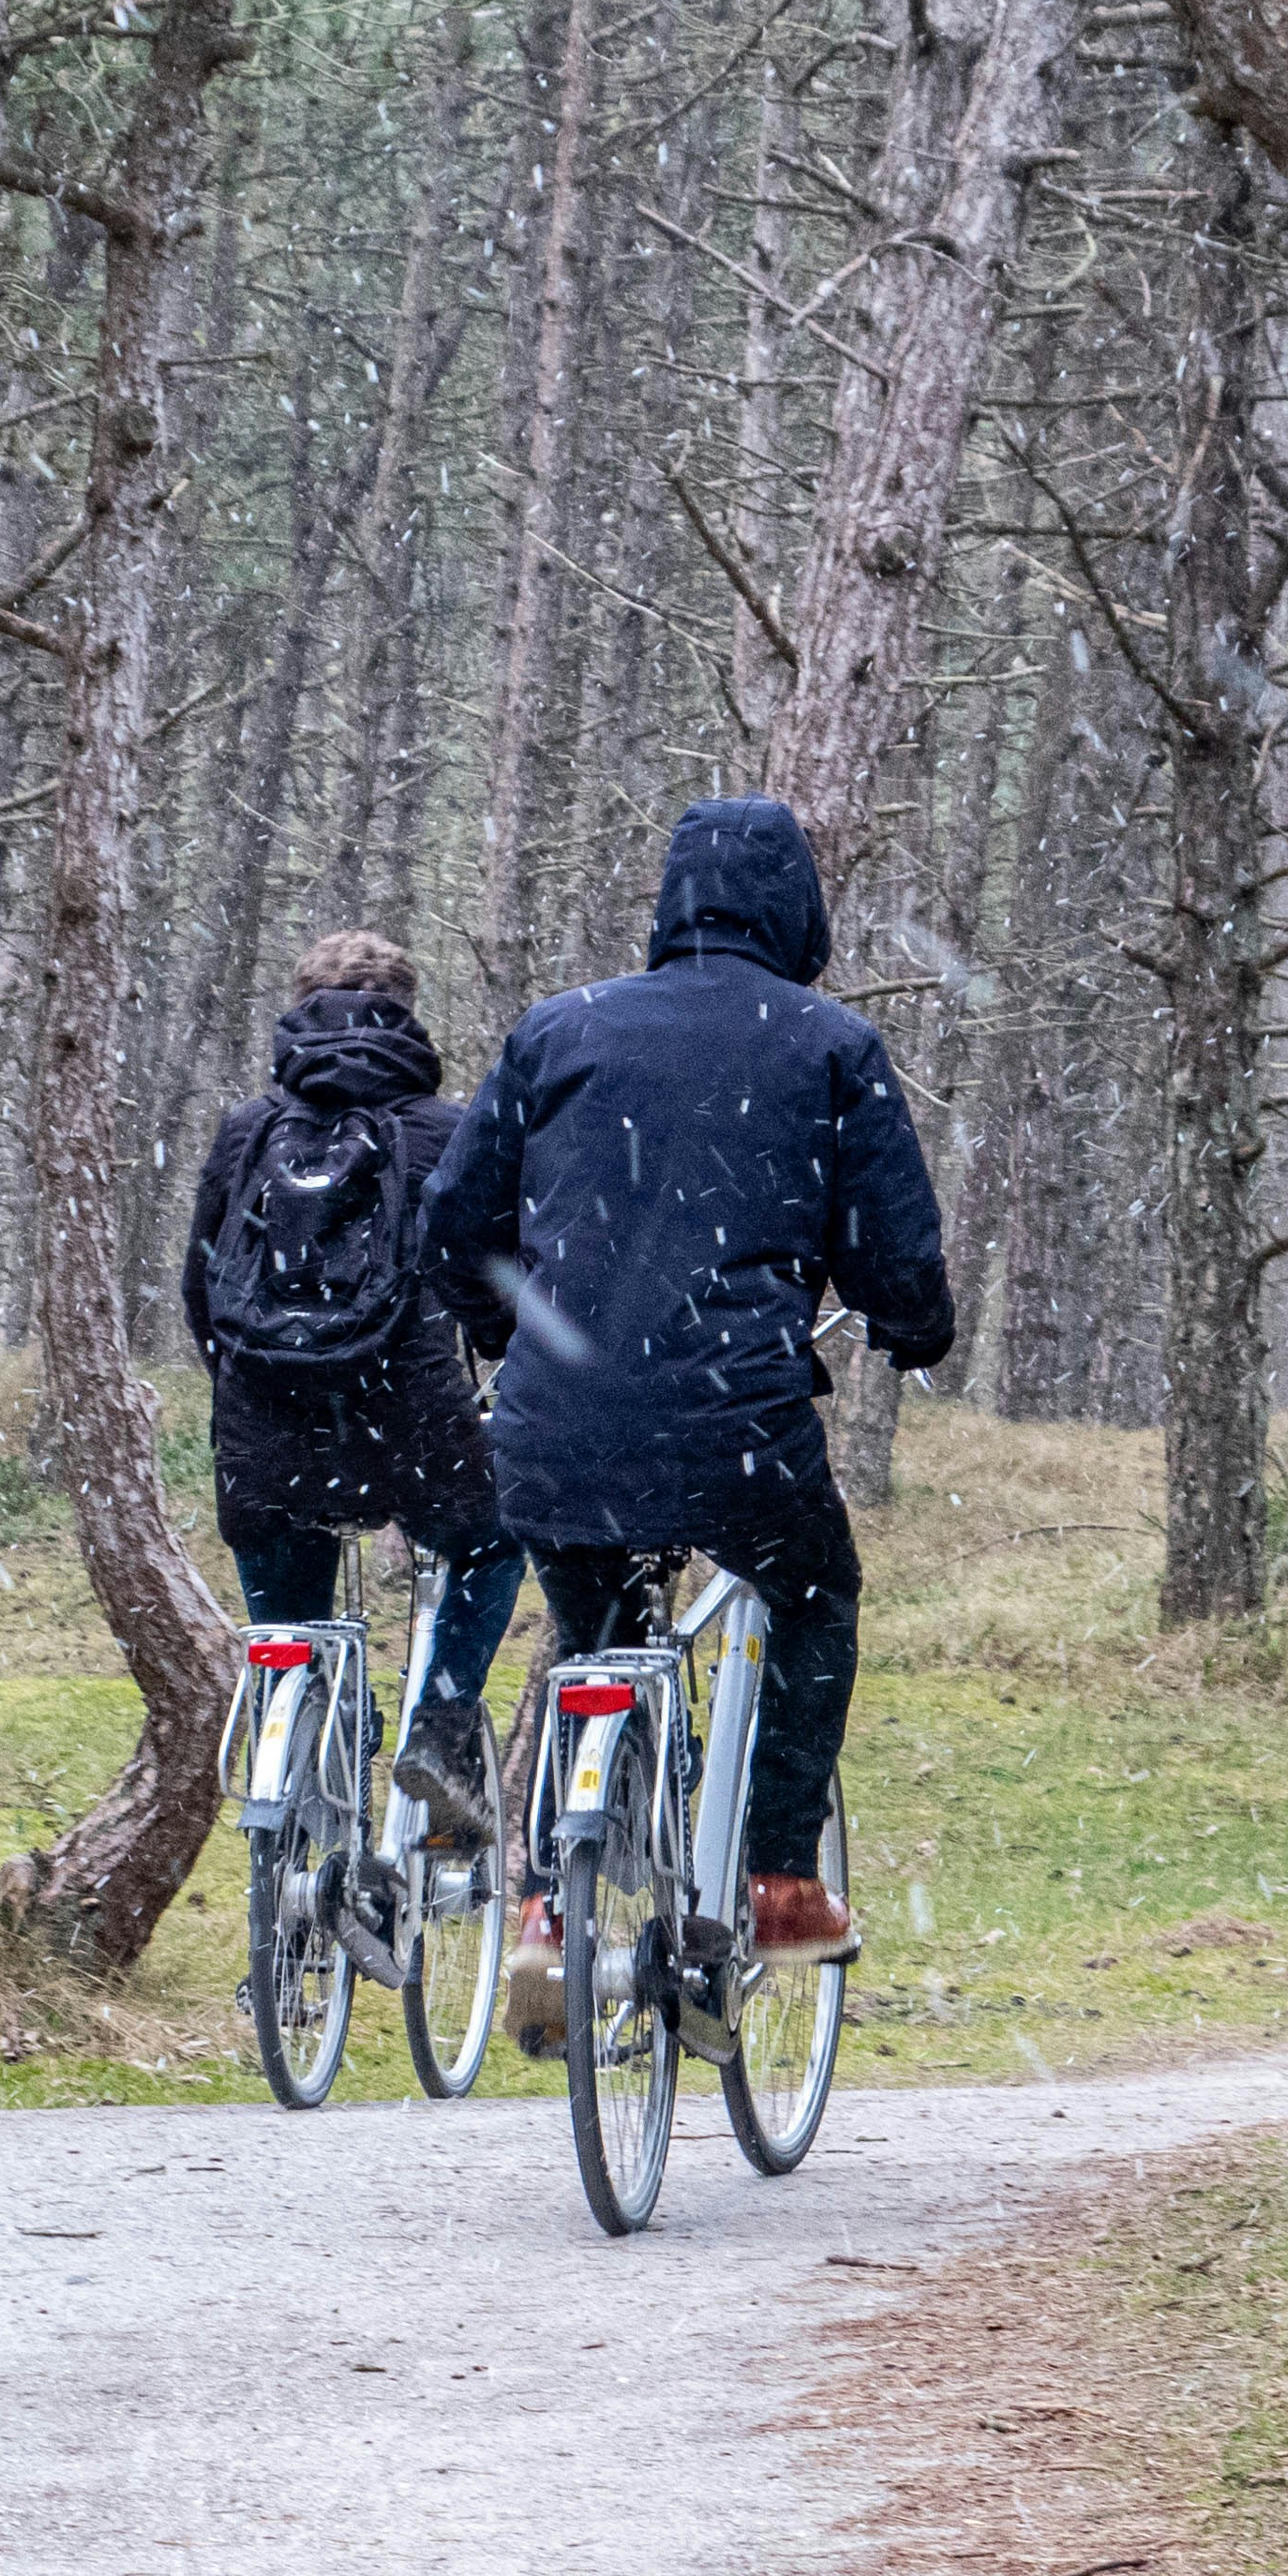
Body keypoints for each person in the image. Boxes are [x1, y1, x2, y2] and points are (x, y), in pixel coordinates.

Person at [420, 796, 953, 2050]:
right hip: (738, 1422)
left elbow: (453, 1225)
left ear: (671, 902)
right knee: (815, 1596)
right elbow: (897, 1253)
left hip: (555, 1427)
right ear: (798, 912)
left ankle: (554, 1912)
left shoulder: (561, 1031)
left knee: (596, 1633)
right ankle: (777, 1882)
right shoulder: (830, 1046)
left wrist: (512, 1334)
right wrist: (910, 1327)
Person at [179, 932, 522, 1842]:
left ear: (296, 1010)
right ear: (408, 1014)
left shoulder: (247, 1133)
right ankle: (439, 1740)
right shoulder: (448, 1132)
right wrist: (491, 1348)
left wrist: (257, 1384)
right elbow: (489, 1287)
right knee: (495, 1541)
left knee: (285, 1656)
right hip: (409, 1427)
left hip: (263, 1445)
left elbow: (200, 1292)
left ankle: (290, 1854)